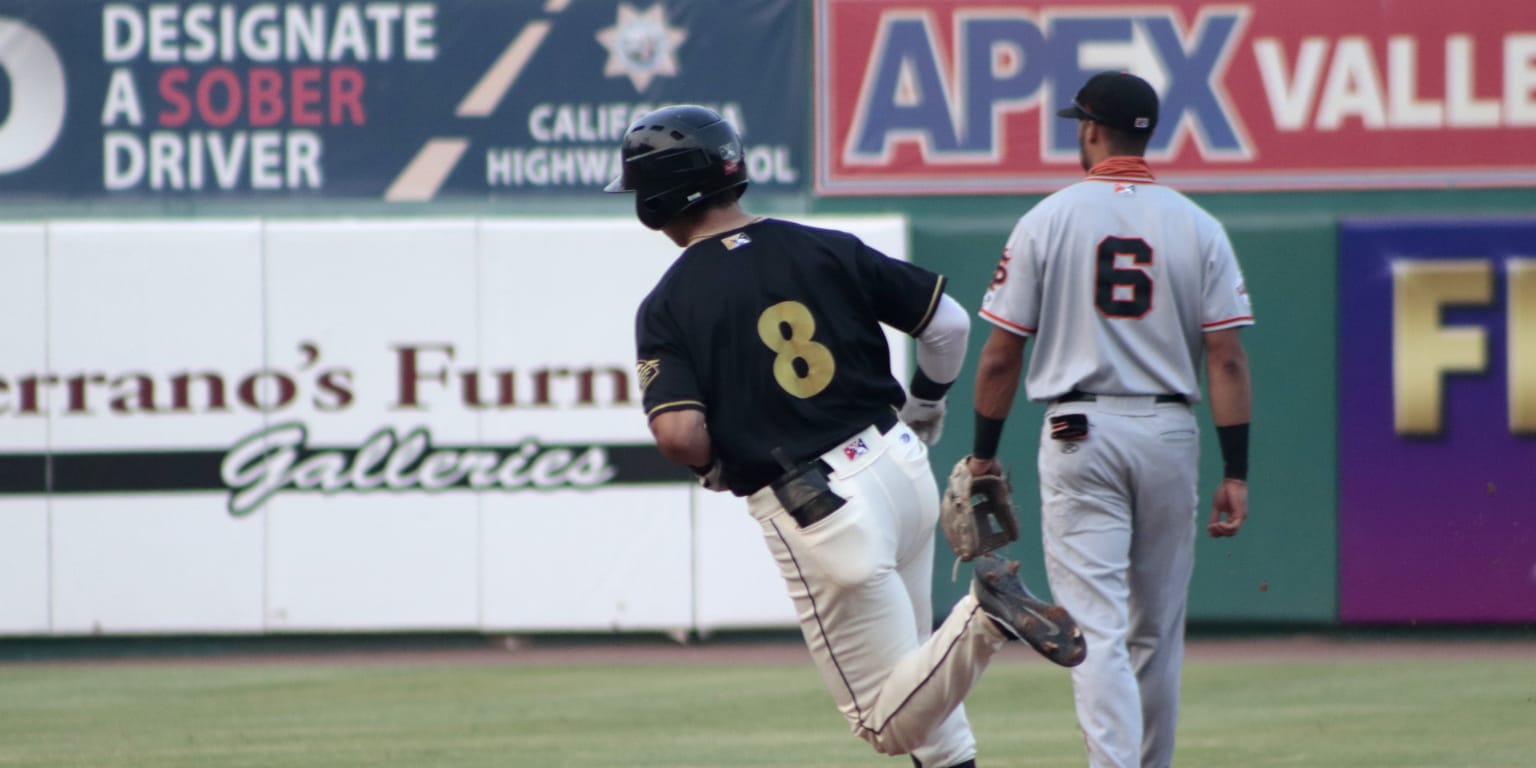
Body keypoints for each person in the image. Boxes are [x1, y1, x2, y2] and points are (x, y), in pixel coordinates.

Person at [608, 104, 1083, 768]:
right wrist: (923, 406)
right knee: (925, 683)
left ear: (660, 197)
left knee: (885, 724)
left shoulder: (669, 302)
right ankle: (979, 624)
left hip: (818, 507)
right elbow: (946, 326)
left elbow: (680, 435)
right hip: (899, 467)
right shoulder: (821, 245)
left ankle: (985, 616)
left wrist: (715, 465)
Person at [966, 71, 1254, 768]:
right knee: (1155, 629)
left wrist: (983, 454)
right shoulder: (1199, 225)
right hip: (1168, 431)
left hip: (1076, 430)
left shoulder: (1047, 218)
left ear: (1091, 129)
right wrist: (1236, 471)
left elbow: (1002, 357)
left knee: (1093, 623)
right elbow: (1227, 359)